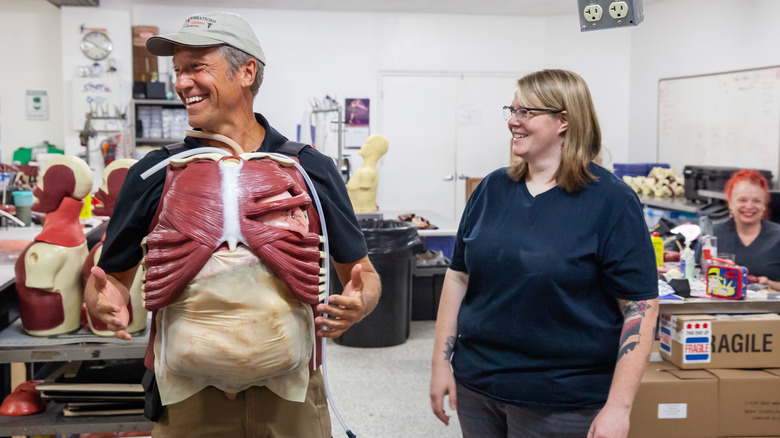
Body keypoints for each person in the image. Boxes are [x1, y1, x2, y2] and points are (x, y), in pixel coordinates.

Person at [84, 11, 381, 437]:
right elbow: (111, 281)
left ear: (246, 72)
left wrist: (361, 301)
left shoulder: (309, 169)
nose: (182, 83)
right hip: (188, 402)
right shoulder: (152, 172)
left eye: (196, 68)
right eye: (178, 71)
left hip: (289, 399)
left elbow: (361, 274)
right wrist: (104, 302)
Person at [429, 69, 659, 438]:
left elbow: (641, 307)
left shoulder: (611, 201)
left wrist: (618, 407)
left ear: (563, 121)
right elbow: (458, 276)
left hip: (562, 400)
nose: (512, 122)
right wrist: (441, 363)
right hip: (478, 386)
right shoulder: (492, 189)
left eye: (525, 112)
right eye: (511, 110)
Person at [713, 169, 780, 291]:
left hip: (768, 309)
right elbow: (695, 277)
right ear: (730, 203)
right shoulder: (712, 235)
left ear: (764, 205)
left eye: (756, 201)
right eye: (742, 200)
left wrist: (769, 283)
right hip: (720, 308)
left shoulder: (778, 237)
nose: (749, 206)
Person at [346, 133, 388, 213]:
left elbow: (362, 201)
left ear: (373, 150)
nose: (363, 146)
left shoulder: (367, 172)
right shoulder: (362, 170)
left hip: (361, 216)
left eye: (366, 144)